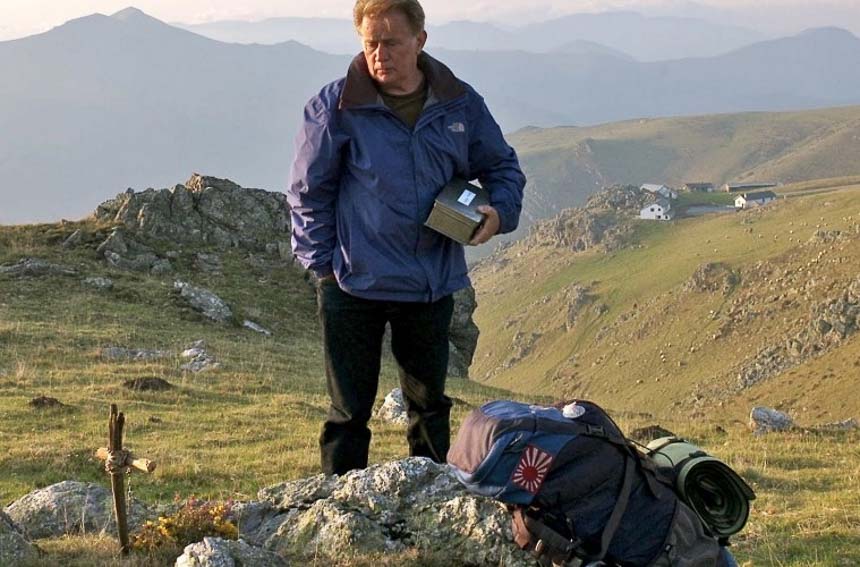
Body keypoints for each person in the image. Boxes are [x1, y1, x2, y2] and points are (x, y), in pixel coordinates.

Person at [287, 0, 525, 475]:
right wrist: (324, 269)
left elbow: (502, 167)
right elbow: (307, 191)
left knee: (431, 408)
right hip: (353, 285)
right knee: (348, 414)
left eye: (391, 42)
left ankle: (434, 502)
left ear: (420, 40)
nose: (380, 54)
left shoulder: (460, 103)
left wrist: (498, 214)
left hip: (429, 283)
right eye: (370, 43)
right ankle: (343, 513)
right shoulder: (334, 106)